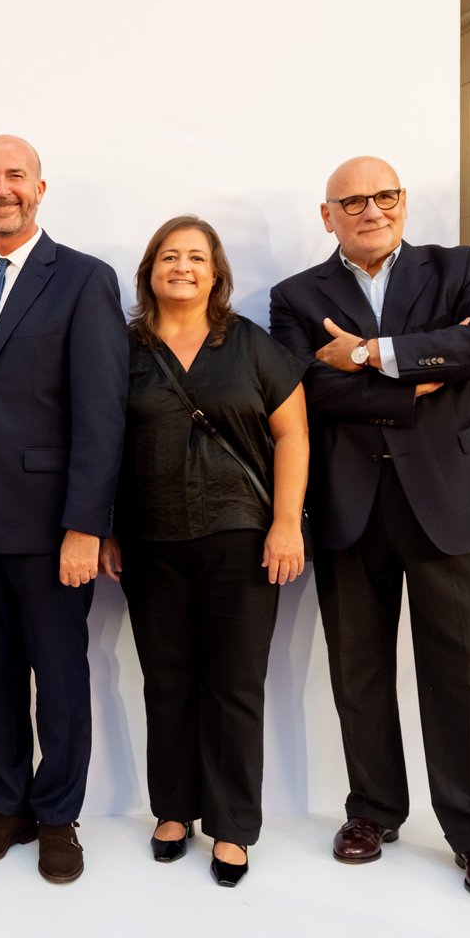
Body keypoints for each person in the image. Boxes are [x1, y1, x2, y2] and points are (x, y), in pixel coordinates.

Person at [269, 156, 470, 905]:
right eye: (351, 201)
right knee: (359, 670)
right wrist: (428, 373)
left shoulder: (461, 266)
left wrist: (369, 354)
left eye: (383, 196)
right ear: (328, 216)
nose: (370, 209)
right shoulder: (295, 297)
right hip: (351, 503)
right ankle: (374, 811)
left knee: (467, 674)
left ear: (403, 203)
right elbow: (304, 389)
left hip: (454, 499)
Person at [0, 134, 127, 884]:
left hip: (51, 528)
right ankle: (5, 806)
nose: (0, 188)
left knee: (62, 677)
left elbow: (102, 412)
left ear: (41, 187)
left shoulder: (82, 280)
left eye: (14, 176)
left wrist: (87, 524)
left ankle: (57, 815)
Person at [98, 215, 308, 888]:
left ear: (216, 272)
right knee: (168, 680)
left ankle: (233, 826)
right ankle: (173, 810)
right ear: (149, 270)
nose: (182, 267)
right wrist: (102, 526)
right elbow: (99, 441)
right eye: (168, 256)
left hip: (242, 540)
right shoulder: (122, 349)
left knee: (235, 685)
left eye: (195, 257)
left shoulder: (248, 344)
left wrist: (285, 524)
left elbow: (294, 437)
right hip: (151, 541)